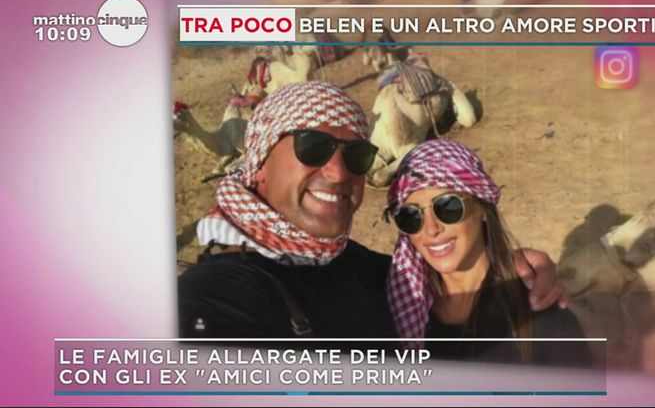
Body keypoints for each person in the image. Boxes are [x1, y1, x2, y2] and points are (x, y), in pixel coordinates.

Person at [177, 81, 565, 342]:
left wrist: (511, 268)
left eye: (356, 155)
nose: (339, 172)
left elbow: (440, 283)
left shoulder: (349, 263)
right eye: (312, 147)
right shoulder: (222, 291)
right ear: (259, 163)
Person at [385, 139, 591, 366]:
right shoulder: (398, 314)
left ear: (482, 207)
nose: (431, 229)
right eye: (411, 216)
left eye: (448, 207)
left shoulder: (545, 323)